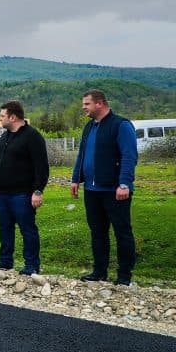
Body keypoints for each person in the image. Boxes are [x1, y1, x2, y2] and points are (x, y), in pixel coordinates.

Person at [70, 89, 138, 286]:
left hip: (114, 190)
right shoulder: (89, 127)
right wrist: (76, 179)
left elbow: (129, 155)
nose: (83, 108)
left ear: (99, 103)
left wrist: (124, 183)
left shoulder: (121, 125)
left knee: (122, 232)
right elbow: (81, 155)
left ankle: (124, 275)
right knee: (97, 232)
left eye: (86, 104)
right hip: (92, 190)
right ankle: (99, 272)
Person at [0, 101, 49, 275]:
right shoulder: (5, 136)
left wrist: (38, 191)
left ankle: (32, 264)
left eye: (2, 116)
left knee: (27, 229)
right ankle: (5, 260)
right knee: (4, 227)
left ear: (13, 117)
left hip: (22, 194)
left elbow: (41, 166)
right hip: (3, 194)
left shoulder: (32, 136)